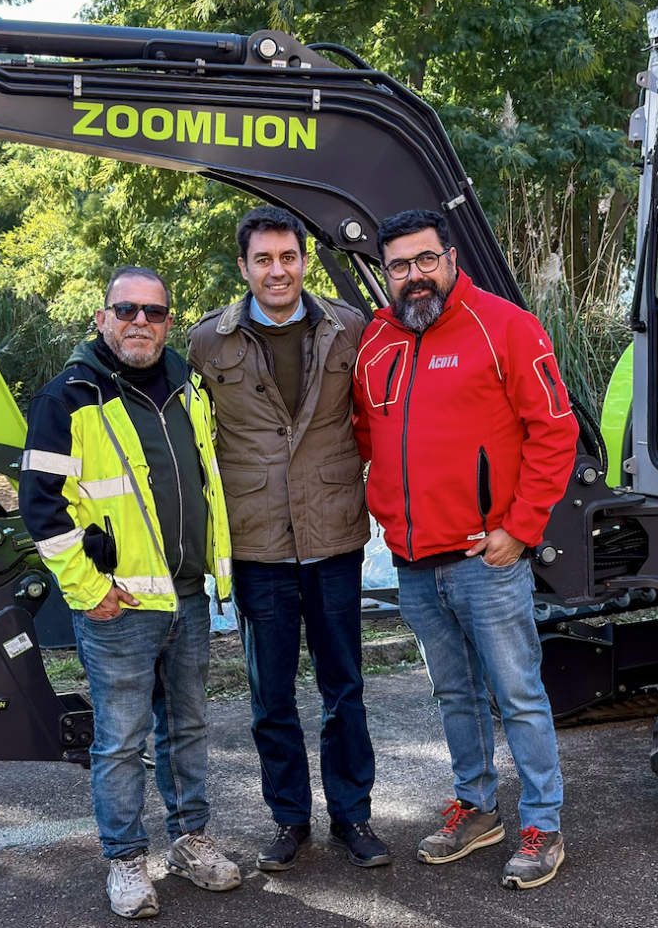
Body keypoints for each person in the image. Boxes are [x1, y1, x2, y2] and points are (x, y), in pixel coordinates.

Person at [351, 208, 579, 889]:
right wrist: (391, 513)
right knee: (455, 694)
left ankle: (543, 822)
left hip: (489, 560)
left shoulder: (504, 325)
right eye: (399, 266)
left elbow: (555, 431)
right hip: (415, 564)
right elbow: (370, 438)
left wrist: (522, 526)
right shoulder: (376, 341)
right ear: (385, 274)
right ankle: (478, 809)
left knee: (517, 694)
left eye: (425, 261)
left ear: (450, 258)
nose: (414, 276)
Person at [19, 266, 241, 920]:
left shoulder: (189, 386)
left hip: (189, 596)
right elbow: (41, 508)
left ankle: (191, 841)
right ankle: (126, 862)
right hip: (118, 607)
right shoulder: (68, 397)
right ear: (102, 318)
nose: (140, 321)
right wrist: (89, 591)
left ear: (169, 320)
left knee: (189, 727)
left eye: (154, 311)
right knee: (120, 740)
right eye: (126, 310)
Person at [188, 206, 390, 872]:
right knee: (270, 696)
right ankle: (289, 820)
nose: (279, 271)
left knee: (344, 689)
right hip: (257, 545)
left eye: (289, 257)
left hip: (333, 536)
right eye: (264, 260)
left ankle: (353, 818)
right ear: (243, 267)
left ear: (303, 261)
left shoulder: (350, 328)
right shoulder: (206, 344)